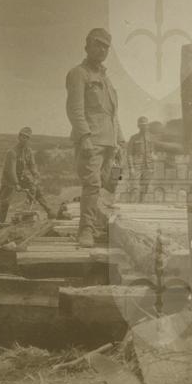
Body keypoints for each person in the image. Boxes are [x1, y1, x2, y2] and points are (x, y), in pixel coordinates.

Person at [65, 27, 125, 248]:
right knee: (91, 185)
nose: (102, 49)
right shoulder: (78, 74)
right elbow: (75, 110)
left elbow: (112, 114)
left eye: (106, 47)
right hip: (91, 141)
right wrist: (84, 137)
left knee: (110, 184)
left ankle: (99, 226)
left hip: (110, 142)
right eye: (97, 44)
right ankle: (86, 230)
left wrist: (120, 140)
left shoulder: (105, 78)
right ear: (87, 46)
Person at [0, 126, 55, 223]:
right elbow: (11, 170)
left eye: (26, 137)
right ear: (19, 137)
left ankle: (49, 211)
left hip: (21, 177)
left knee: (36, 190)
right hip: (9, 179)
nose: (24, 139)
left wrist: (36, 175)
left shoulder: (28, 151)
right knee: (5, 202)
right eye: (22, 136)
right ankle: (1, 223)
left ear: (29, 139)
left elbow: (32, 166)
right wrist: (16, 183)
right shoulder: (12, 152)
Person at [126, 116, 154, 203]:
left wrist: (153, 164)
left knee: (145, 186)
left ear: (147, 126)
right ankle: (133, 205)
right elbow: (129, 154)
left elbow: (153, 151)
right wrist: (131, 168)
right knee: (134, 187)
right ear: (138, 126)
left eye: (145, 125)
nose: (143, 127)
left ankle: (142, 205)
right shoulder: (133, 138)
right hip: (136, 165)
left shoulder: (151, 137)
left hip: (148, 166)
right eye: (141, 125)